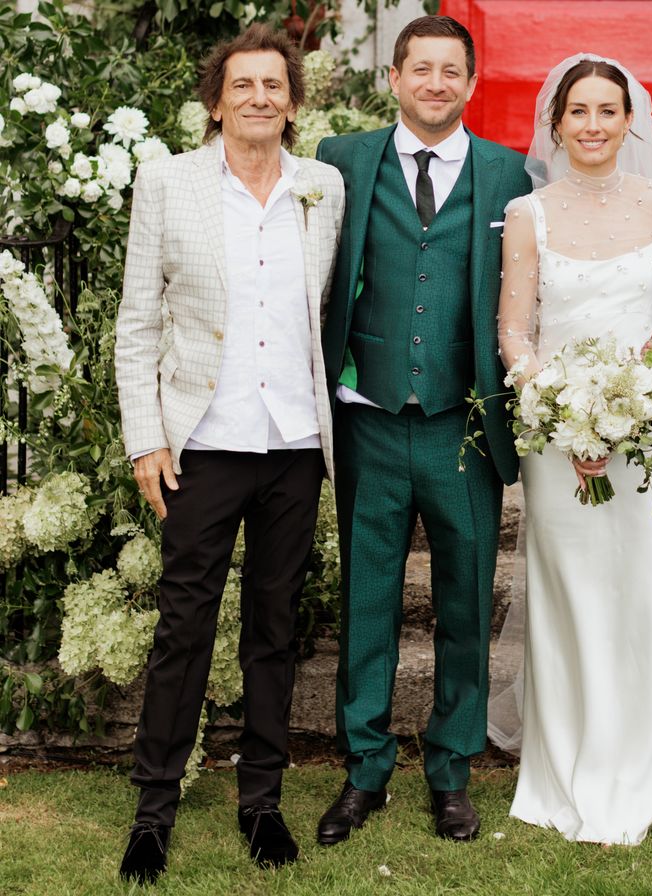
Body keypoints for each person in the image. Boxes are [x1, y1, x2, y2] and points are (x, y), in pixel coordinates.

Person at [114, 24, 344, 883]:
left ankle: (262, 803)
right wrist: (147, 436)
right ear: (217, 101)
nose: (259, 99)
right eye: (243, 85)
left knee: (274, 632)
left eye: (274, 86)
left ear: (292, 100)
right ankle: (153, 811)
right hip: (201, 445)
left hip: (293, 444)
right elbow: (138, 321)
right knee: (185, 629)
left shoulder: (323, 187)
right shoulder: (168, 182)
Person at [312, 16, 533, 844]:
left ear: (471, 84)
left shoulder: (511, 173)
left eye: (452, 72)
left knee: (465, 605)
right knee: (366, 602)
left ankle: (451, 772)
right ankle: (364, 771)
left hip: (462, 428)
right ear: (395, 78)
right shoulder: (341, 160)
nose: (437, 84)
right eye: (422, 69)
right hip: (369, 418)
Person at [489, 55, 652, 845]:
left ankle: (633, 770)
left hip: (643, 431)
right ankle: (564, 765)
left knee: (635, 591)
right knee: (565, 594)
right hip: (555, 436)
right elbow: (514, 332)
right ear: (557, 123)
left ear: (629, 121)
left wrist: (648, 376)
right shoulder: (529, 212)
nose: (595, 125)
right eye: (580, 112)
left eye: (609, 110)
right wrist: (564, 409)